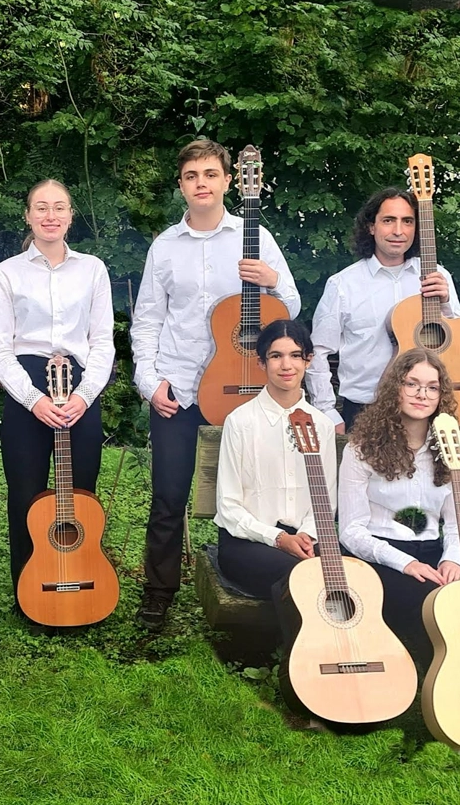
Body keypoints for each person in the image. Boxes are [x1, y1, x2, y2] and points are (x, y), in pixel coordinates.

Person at [129, 139, 301, 629]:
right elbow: (146, 322)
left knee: (259, 493)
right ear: (181, 184)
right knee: (168, 497)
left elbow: (290, 313)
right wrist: (150, 382)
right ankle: (158, 595)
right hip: (180, 390)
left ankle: (264, 581)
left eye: (210, 174)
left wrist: (272, 280)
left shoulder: (256, 237)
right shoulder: (164, 246)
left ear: (229, 180)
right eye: (191, 176)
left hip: (246, 391)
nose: (201, 183)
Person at [0, 179, 114, 588]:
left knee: (81, 496)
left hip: (79, 388)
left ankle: (79, 583)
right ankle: (30, 586)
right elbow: (0, 349)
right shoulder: (7, 273)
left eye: (59, 207)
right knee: (26, 494)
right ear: (27, 215)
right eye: (41, 207)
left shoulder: (93, 269)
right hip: (27, 388)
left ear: (71, 216)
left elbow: (102, 342)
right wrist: (32, 400)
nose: (50, 216)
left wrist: (84, 396)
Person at [336, 348, 460, 663]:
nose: (422, 394)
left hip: (433, 552)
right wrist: (404, 563)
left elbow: (458, 523)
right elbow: (350, 530)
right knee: (429, 603)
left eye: (432, 387)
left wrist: (453, 560)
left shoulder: (449, 448)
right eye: (412, 384)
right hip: (381, 555)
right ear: (396, 389)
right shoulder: (360, 450)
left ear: (440, 396)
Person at [213, 319, 334, 652]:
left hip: (305, 537)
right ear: (261, 362)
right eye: (276, 356)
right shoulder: (241, 421)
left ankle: (348, 653)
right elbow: (229, 507)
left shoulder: (320, 425)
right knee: (300, 577)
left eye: (295, 355)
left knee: (351, 572)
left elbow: (326, 499)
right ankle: (302, 660)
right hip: (247, 541)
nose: (286, 365)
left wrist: (306, 536)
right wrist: (278, 538)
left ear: (308, 360)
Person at [306, 188, 460, 432]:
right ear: (371, 227)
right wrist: (327, 410)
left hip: (431, 409)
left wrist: (445, 303)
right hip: (365, 410)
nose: (398, 231)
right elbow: (317, 351)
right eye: (388, 220)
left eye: (407, 221)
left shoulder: (437, 276)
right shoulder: (343, 284)